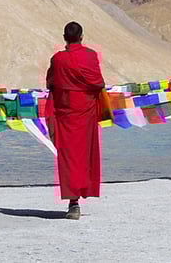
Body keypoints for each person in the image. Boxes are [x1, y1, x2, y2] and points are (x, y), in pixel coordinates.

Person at [45, 22, 105, 220]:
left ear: (64, 37)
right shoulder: (91, 56)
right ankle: (81, 194)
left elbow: (51, 83)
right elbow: (98, 82)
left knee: (69, 157)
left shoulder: (58, 59)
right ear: (81, 37)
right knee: (84, 155)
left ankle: (73, 203)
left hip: (66, 114)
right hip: (86, 113)